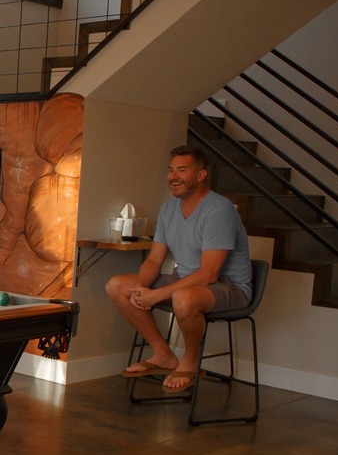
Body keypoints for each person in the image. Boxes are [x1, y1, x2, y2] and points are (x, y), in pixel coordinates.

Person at [107, 145, 252, 392]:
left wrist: (158, 295)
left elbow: (209, 274)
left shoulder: (219, 210)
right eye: (171, 170)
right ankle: (163, 353)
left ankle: (190, 361)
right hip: (184, 279)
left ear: (201, 175)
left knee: (183, 299)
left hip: (228, 286)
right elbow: (154, 259)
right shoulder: (168, 209)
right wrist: (142, 288)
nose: (173, 176)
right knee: (118, 286)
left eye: (182, 170)